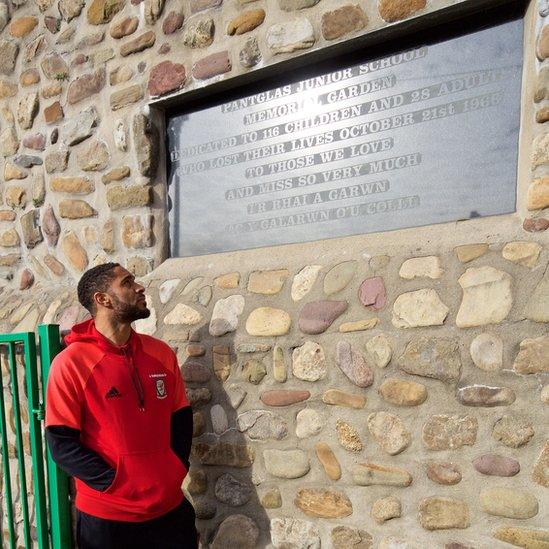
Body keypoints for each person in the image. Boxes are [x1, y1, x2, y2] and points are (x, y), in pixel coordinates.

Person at [45, 263, 197, 549]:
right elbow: (62, 445)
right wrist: (116, 483)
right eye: (127, 283)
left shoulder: (160, 353)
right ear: (102, 299)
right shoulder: (71, 363)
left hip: (170, 512)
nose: (139, 287)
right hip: (108, 520)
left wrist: (174, 469)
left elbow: (181, 419)